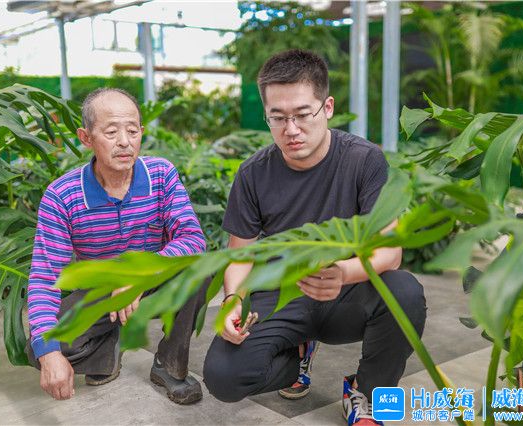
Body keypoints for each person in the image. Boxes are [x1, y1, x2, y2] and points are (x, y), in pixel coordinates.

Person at [202, 49, 427, 425]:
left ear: (327, 108)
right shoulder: (253, 173)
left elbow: (390, 252)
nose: (291, 130)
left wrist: (343, 273)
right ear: (268, 117)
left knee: (404, 292)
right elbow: (239, 254)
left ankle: (367, 392)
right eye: (278, 118)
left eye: (302, 115)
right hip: (282, 293)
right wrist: (232, 300)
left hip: (347, 291)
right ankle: (294, 361)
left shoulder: (364, 160)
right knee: (222, 378)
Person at [26, 88, 206, 405]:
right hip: (101, 294)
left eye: (132, 131)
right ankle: (107, 350)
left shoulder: (161, 175)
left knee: (200, 268)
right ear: (86, 137)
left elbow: (192, 239)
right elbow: (44, 277)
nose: (124, 141)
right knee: (41, 346)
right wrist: (49, 354)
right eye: (111, 131)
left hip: (155, 279)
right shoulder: (62, 195)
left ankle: (169, 364)